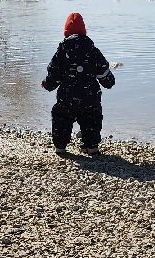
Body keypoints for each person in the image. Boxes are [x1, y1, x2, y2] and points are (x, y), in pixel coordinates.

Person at [41, 12, 116, 156]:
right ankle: (92, 146)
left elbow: (54, 73)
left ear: (66, 33)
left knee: (61, 118)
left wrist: (47, 84)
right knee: (92, 119)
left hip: (67, 96)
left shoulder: (62, 51)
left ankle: (60, 147)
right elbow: (103, 72)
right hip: (90, 96)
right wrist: (108, 81)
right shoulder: (93, 50)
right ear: (84, 31)